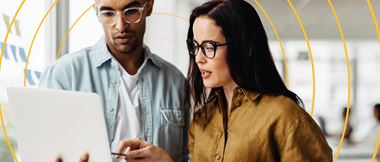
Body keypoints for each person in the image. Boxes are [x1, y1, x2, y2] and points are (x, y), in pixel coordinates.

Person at [115, 0, 332, 161]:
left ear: (245, 48)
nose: (199, 58)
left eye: (209, 47)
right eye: (196, 47)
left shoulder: (284, 116)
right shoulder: (202, 119)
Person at [39, 0, 189, 162]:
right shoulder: (62, 75)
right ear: (96, 11)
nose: (121, 26)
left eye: (131, 11)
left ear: (149, 6)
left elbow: (193, 156)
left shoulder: (176, 82)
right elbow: (40, 152)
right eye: (108, 13)